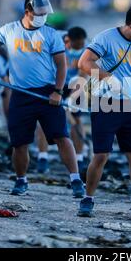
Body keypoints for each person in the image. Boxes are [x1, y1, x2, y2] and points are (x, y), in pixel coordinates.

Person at [0, 0, 85, 197]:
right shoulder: (9, 30)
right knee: (20, 142)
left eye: (45, 13)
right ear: (27, 11)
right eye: (39, 13)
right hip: (20, 94)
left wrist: (58, 92)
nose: (43, 17)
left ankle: (76, 180)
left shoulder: (50, 34)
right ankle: (21, 180)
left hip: (48, 93)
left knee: (61, 136)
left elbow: (61, 66)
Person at [76, 4, 131, 221]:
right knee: (102, 154)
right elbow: (84, 62)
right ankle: (88, 198)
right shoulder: (106, 38)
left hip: (129, 104)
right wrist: (108, 78)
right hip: (104, 102)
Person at [35, 27, 89, 175]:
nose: (79, 49)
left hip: (74, 84)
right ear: (68, 41)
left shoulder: (87, 48)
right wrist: (56, 92)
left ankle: (79, 157)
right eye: (76, 46)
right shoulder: (55, 41)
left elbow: (83, 75)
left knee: (76, 119)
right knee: (44, 120)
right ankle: (42, 157)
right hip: (54, 82)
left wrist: (71, 98)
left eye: (81, 46)